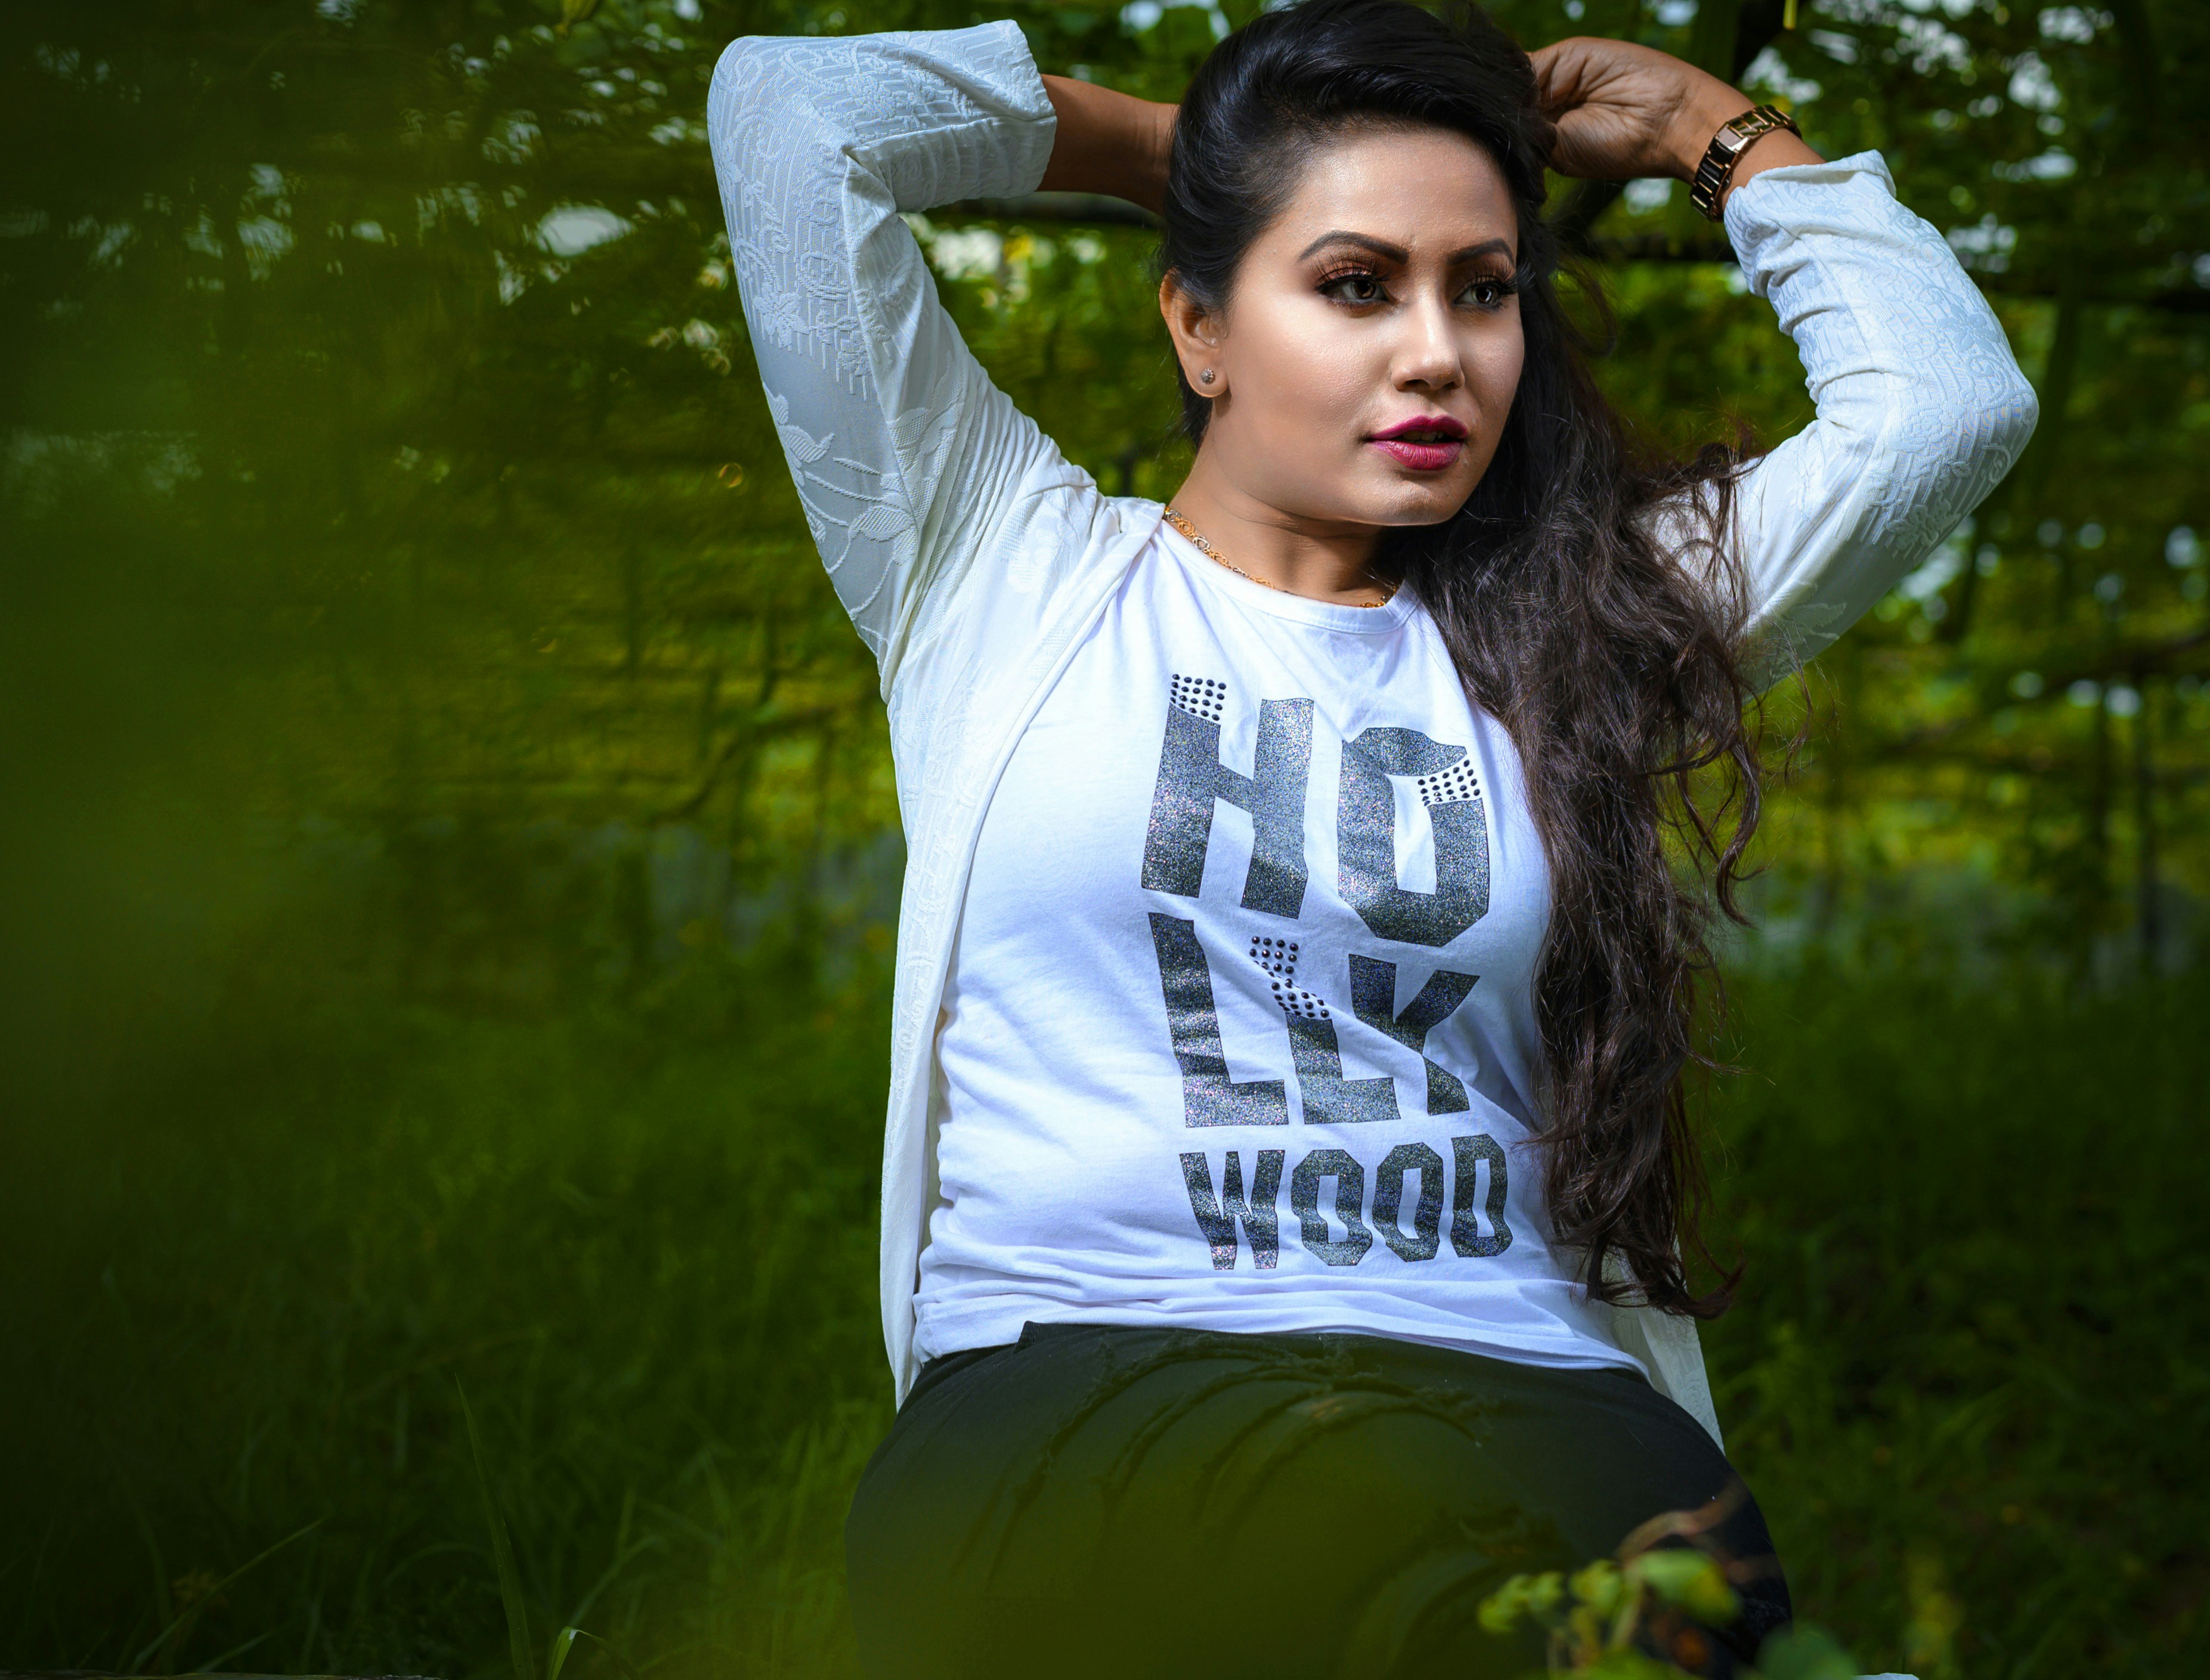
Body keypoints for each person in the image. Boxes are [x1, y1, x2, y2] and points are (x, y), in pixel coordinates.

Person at [705, 2, 2033, 1673]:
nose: (1437, 354)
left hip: (1535, 1402)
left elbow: (1944, 409)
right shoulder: (1001, 568)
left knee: (1600, 1599)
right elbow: (791, 117)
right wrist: (1181, 150)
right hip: (1095, 1389)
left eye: (1482, 289)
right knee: (1376, 1573)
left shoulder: (1587, 628)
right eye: (1352, 283)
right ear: (1198, 324)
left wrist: (1715, 133)